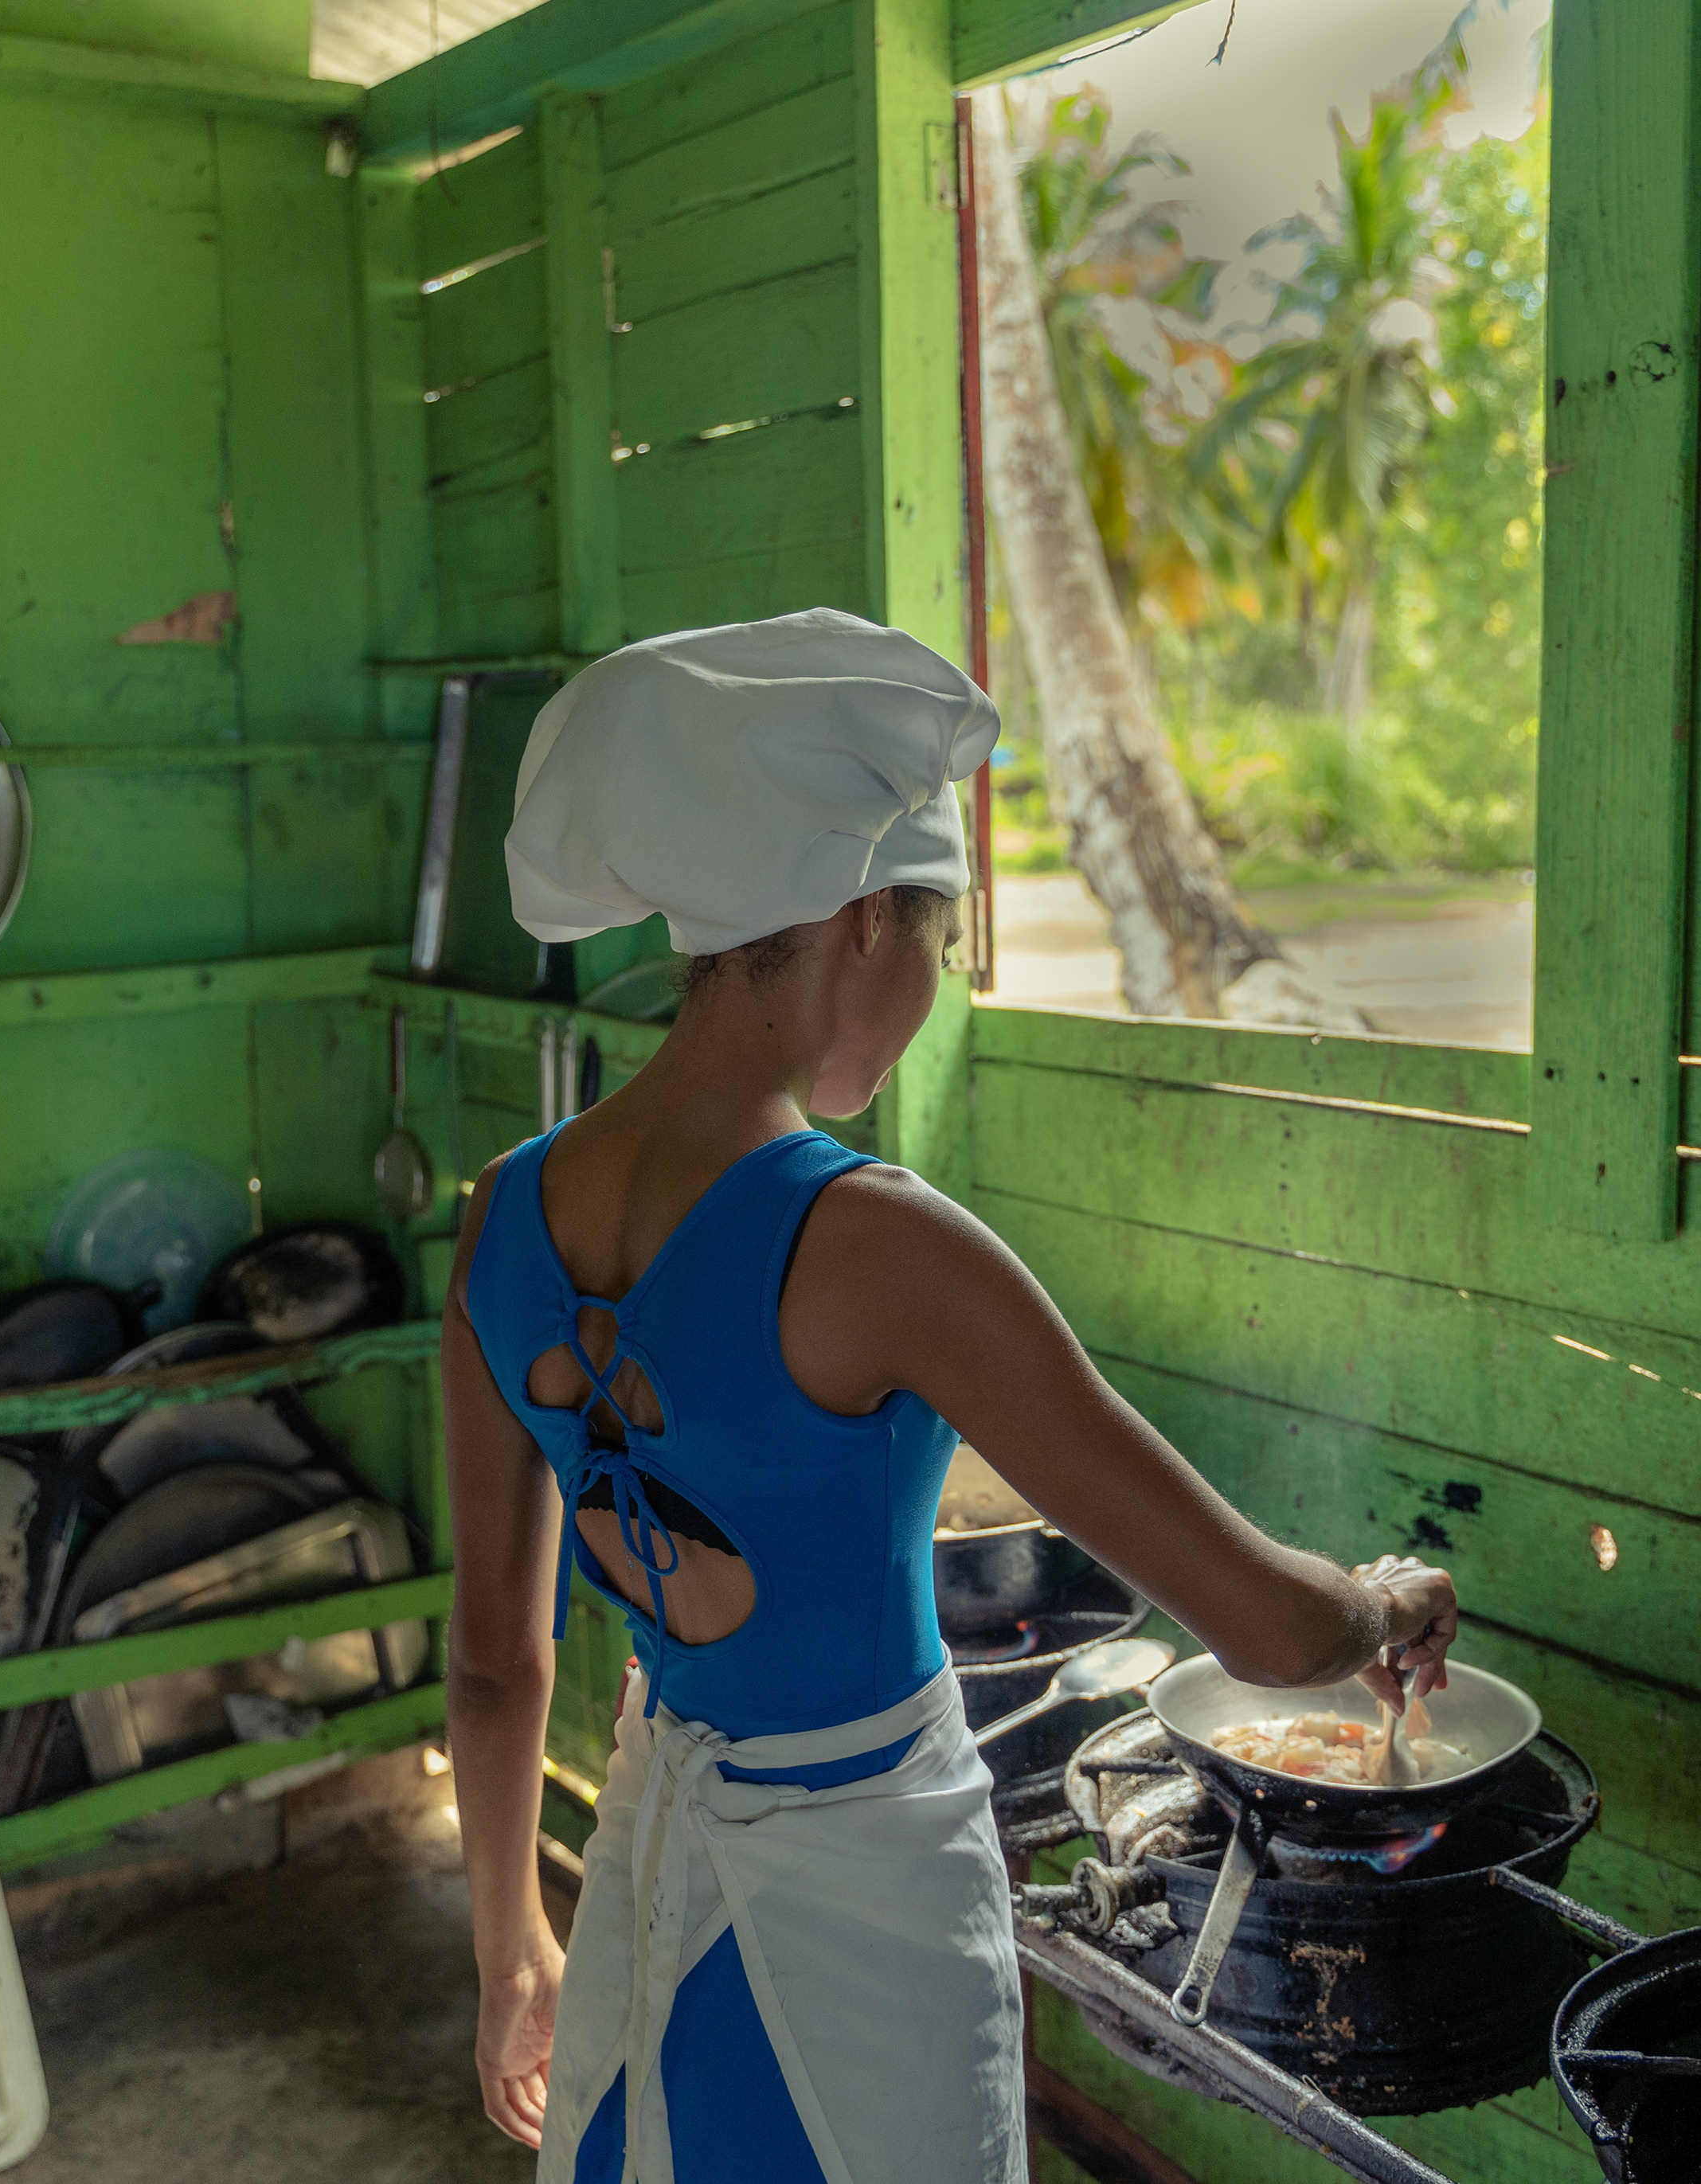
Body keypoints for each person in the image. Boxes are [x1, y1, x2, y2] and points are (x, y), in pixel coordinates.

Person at [440, 608, 1461, 2184]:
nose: (941, 975)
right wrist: (1384, 1601)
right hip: (866, 1901)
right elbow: (1268, 1630)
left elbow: (496, 1665)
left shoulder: (503, 1214)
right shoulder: (884, 1247)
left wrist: (513, 1950)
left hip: (650, 1878)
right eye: (945, 935)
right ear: (866, 917)